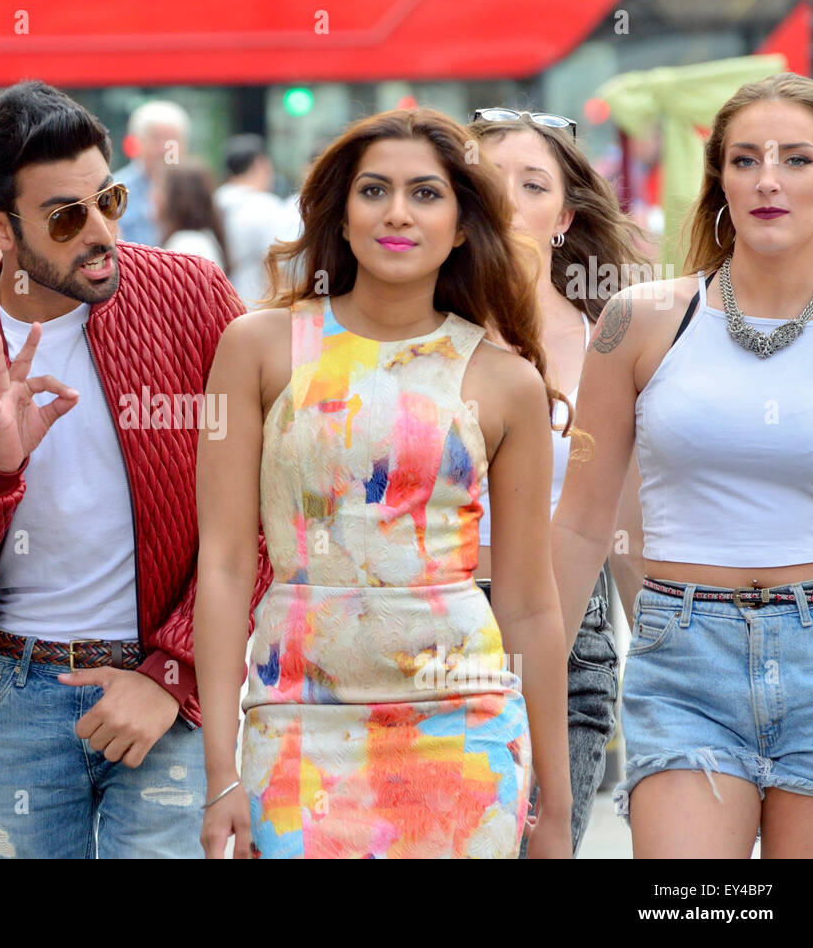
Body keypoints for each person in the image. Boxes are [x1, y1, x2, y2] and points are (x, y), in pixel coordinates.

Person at [0, 80, 267, 859]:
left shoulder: (190, 297)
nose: (100, 232)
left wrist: (172, 672)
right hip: (17, 696)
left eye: (110, 199)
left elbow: (263, 507)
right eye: (66, 216)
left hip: (172, 688)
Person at [196, 107, 573, 859]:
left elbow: (531, 599)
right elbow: (227, 562)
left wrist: (557, 808)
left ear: (464, 225)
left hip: (462, 728)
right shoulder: (258, 348)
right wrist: (219, 772)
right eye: (374, 191)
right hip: (294, 723)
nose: (397, 212)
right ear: (340, 213)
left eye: (426, 194)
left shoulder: (508, 383)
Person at [552, 71, 813, 858]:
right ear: (717, 182)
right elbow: (579, 523)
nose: (767, 179)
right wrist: (526, 692)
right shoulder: (638, 320)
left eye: (797, 159)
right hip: (683, 653)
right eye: (745, 159)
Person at [469, 107, 649, 854]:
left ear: (564, 216)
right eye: (484, 179)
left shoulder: (612, 331)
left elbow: (627, 517)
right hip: (426, 632)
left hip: (572, 637)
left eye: (532, 183)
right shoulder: (403, 327)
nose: (506, 198)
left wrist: (669, 666)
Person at [214, 134, 292, 306]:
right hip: (254, 307)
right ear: (260, 164)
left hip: (219, 307)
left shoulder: (215, 202)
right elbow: (275, 267)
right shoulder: (266, 206)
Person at [111, 99, 190, 247]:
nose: (164, 149)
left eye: (172, 140)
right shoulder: (117, 189)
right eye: (156, 138)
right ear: (137, 142)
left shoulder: (194, 190)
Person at [153, 160, 229, 270]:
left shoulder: (187, 246)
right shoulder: (196, 241)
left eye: (160, 188)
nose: (153, 195)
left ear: (178, 198)